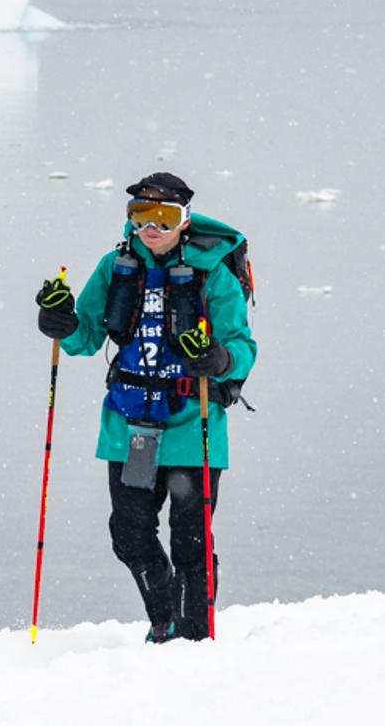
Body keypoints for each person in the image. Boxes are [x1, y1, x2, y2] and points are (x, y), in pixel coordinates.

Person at [34, 171, 257, 642]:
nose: (150, 227)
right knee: (130, 535)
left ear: (185, 219)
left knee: (190, 541)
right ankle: (166, 620)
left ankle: (193, 634)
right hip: (127, 424)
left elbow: (242, 349)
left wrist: (217, 358)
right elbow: (85, 338)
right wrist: (60, 321)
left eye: (164, 216)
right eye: (140, 215)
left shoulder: (212, 273)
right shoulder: (114, 268)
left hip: (190, 423)